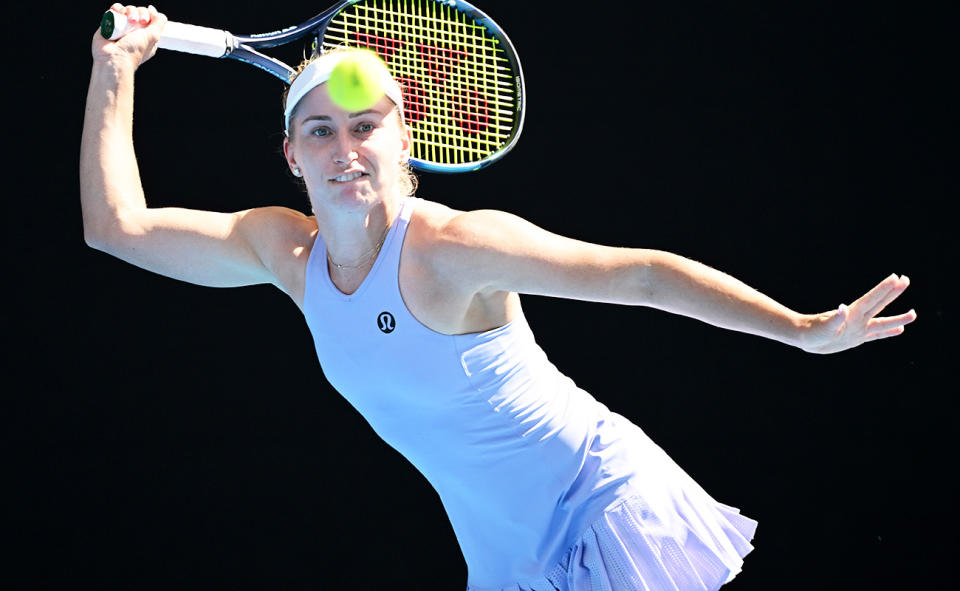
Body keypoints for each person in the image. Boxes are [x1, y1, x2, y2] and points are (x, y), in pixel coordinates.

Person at [80, 6, 917, 590]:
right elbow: (116, 227)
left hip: (597, 502)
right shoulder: (283, 250)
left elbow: (643, 275)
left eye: (365, 125)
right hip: (503, 550)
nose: (346, 149)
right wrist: (113, 69)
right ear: (293, 156)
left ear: (404, 135)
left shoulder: (454, 247)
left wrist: (804, 329)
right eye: (322, 131)